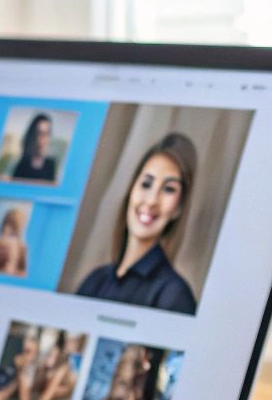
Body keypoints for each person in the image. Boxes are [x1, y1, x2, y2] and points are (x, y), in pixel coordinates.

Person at [74, 133, 199, 314]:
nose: (151, 201)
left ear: (179, 208)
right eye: (146, 184)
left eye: (169, 189)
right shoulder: (95, 280)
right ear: (131, 190)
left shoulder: (175, 295)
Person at [9, 113, 57, 181]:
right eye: (40, 133)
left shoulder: (51, 164)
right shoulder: (22, 165)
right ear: (33, 136)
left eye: (47, 133)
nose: (44, 139)